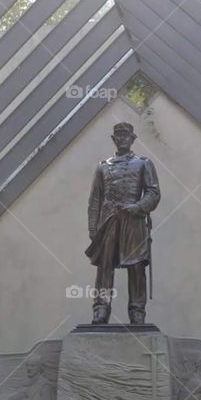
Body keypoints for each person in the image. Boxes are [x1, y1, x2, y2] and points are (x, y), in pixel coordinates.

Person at [86, 122, 160, 324]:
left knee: (136, 266)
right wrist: (93, 228)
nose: (122, 139)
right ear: (113, 139)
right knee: (105, 265)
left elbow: (153, 193)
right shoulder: (103, 166)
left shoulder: (144, 163)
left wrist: (138, 207)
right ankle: (101, 308)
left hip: (134, 220)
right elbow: (95, 200)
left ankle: (137, 311)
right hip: (108, 221)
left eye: (126, 135)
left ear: (133, 138)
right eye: (118, 135)